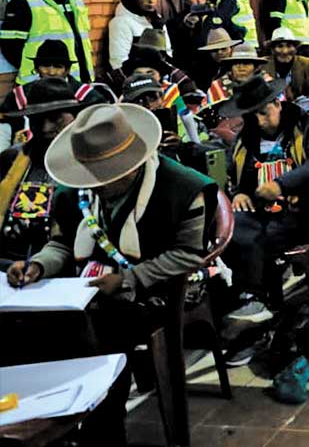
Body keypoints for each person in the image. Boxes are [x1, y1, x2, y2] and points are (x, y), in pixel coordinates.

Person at [7, 103, 217, 446]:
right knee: (29, 328)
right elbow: (61, 244)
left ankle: (103, 428)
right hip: (88, 288)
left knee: (99, 333)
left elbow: (188, 254)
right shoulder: (75, 190)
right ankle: (47, 421)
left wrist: (130, 279)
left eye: (109, 174)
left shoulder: (181, 188)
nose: (99, 185)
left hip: (153, 290)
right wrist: (37, 266)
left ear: (133, 163)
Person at [219, 75, 309, 323]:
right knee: (232, 231)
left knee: (269, 233)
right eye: (251, 116)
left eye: (263, 113)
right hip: (259, 208)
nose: (259, 121)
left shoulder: (308, 126)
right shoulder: (245, 139)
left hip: (302, 207)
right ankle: (253, 297)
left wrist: (281, 185)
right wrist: (239, 193)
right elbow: (235, 176)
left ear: (277, 103)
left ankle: (257, 297)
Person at [0, 79, 88, 267]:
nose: (46, 128)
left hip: (70, 272)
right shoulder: (11, 160)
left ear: (76, 117)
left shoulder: (94, 165)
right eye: (37, 119)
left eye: (55, 118)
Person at [2, 0, 94, 85]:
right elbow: (10, 47)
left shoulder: (75, 0)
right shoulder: (23, 1)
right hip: (39, 84)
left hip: (77, 81)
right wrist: (39, 70)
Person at [107, 0, 171, 70]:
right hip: (137, 75)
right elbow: (118, 61)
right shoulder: (121, 22)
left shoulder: (157, 19)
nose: (151, 1)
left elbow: (167, 51)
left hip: (160, 73)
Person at [262, 29, 309, 100]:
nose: (285, 51)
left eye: (289, 46)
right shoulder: (262, 66)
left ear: (295, 49)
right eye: (280, 46)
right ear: (272, 50)